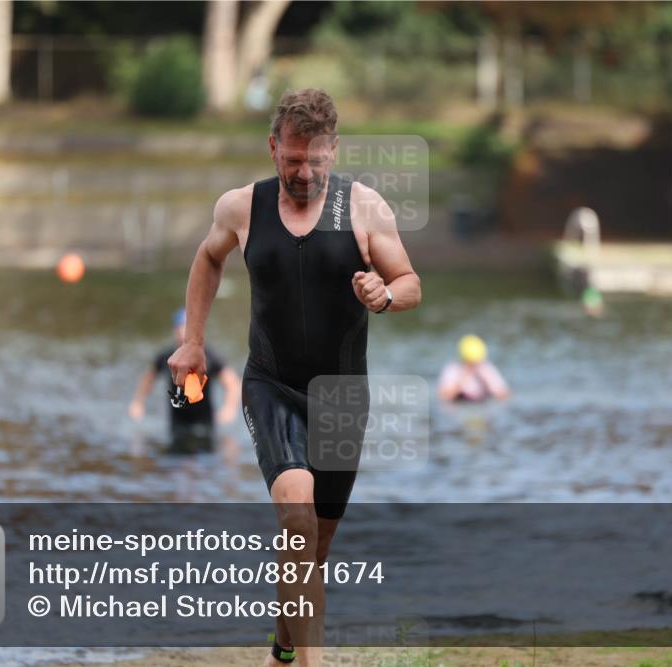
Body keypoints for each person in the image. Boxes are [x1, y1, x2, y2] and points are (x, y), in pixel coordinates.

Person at [167, 88, 421, 667]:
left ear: (333, 150)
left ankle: (283, 644)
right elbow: (208, 258)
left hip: (342, 396)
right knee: (297, 514)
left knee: (314, 546)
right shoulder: (241, 208)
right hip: (271, 384)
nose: (303, 172)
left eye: (315, 160)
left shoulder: (363, 209)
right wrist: (194, 342)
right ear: (273, 147)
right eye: (291, 160)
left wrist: (383, 295)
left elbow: (410, 282)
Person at [128, 307, 241, 453]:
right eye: (181, 327)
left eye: (187, 328)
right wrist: (138, 403)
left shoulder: (207, 356)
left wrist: (229, 408)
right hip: (177, 423)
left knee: (205, 457)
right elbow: (148, 378)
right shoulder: (167, 356)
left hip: (204, 424)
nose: (183, 332)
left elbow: (232, 382)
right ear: (175, 329)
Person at [437, 334, 510, 402]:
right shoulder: (453, 369)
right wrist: (462, 380)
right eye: (470, 363)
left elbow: (504, 395)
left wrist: (486, 382)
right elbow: (444, 397)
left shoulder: (486, 369)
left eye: (476, 362)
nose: (474, 366)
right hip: (460, 404)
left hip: (483, 404)